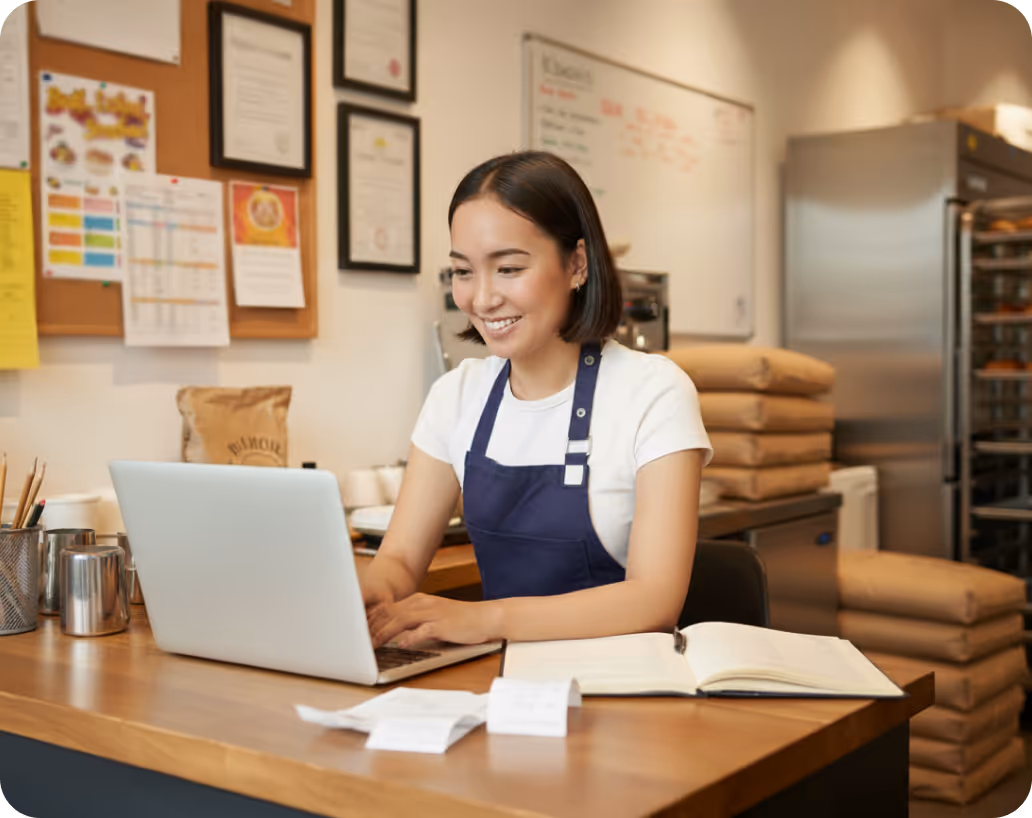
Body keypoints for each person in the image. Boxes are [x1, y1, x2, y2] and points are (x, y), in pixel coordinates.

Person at [363, 151, 712, 649]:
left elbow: (654, 600)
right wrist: (366, 593)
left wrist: (485, 620)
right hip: (502, 682)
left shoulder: (653, 392)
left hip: (624, 692)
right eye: (464, 272)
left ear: (576, 263)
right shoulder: (457, 396)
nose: (482, 299)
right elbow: (398, 561)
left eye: (508, 268)